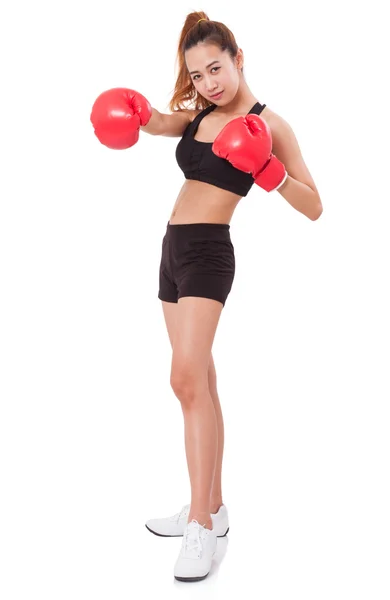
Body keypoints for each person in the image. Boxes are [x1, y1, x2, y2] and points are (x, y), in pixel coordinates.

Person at [90, 11, 323, 583]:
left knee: (185, 379)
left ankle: (200, 527)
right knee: (202, 383)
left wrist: (269, 171)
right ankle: (212, 509)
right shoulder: (199, 115)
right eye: (197, 75)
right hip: (171, 249)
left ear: (238, 58)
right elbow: (163, 122)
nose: (209, 82)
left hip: (209, 255)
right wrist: (140, 115)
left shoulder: (272, 125)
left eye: (216, 68)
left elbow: (315, 205)